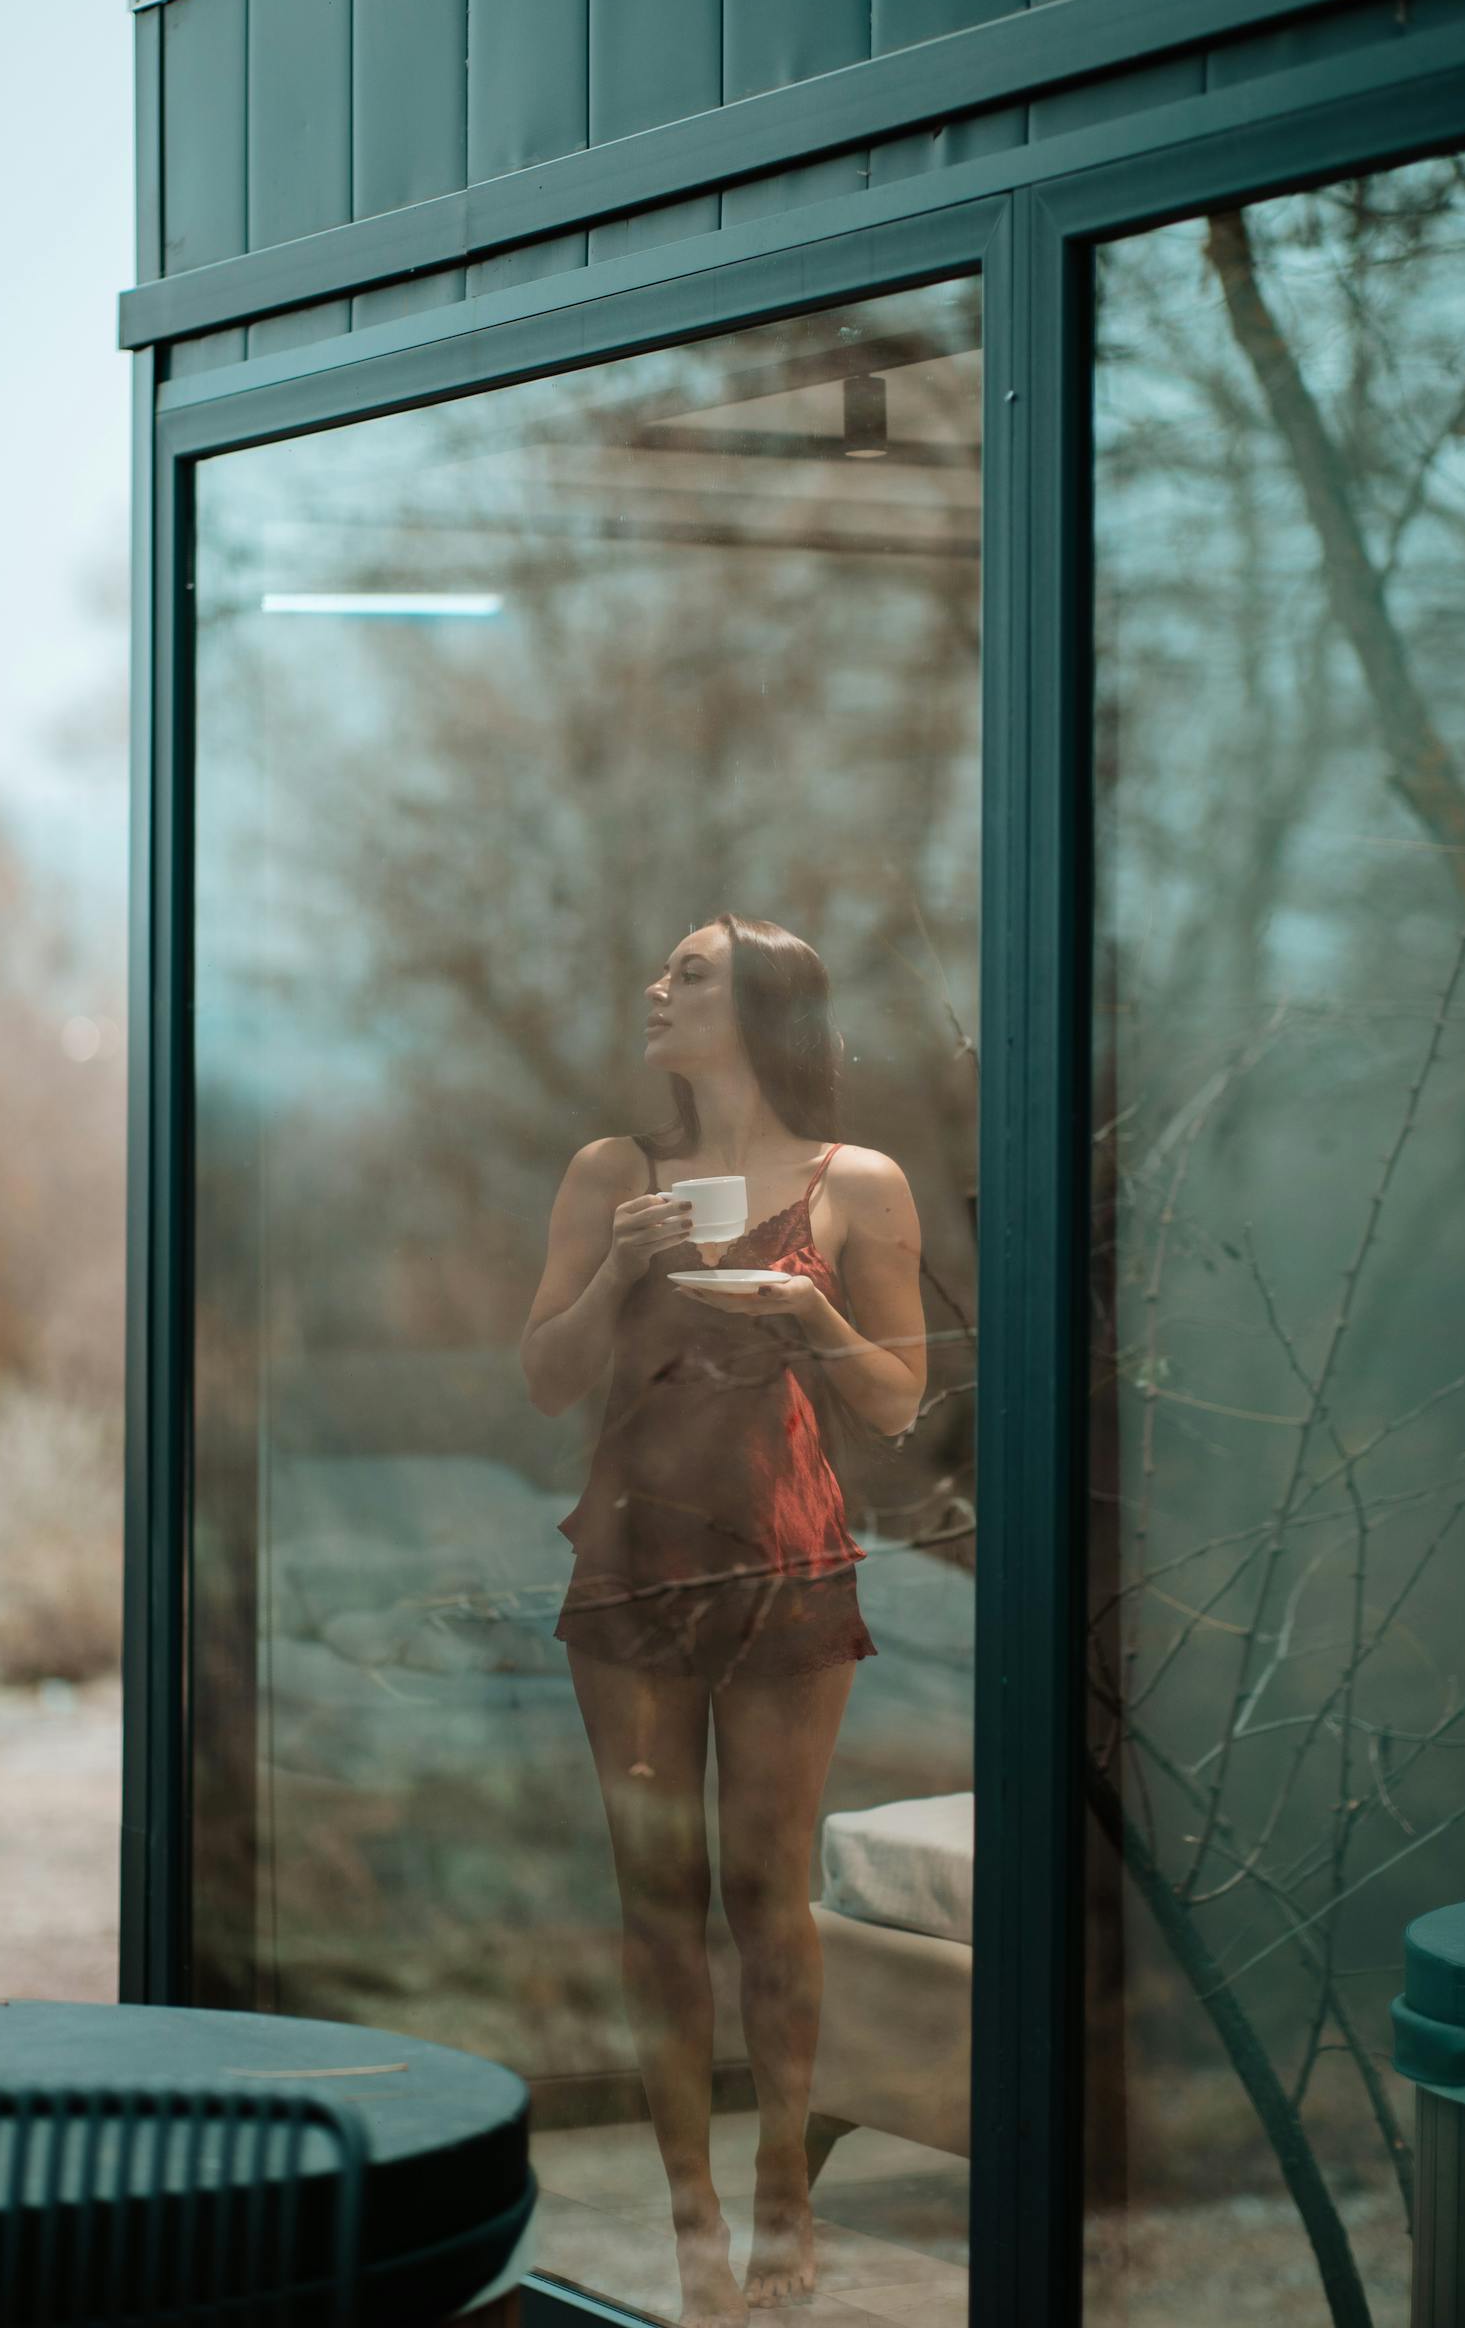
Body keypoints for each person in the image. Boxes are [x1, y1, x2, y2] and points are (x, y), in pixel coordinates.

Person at [520, 912, 927, 2326]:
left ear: (763, 1003)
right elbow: (546, 1381)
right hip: (629, 1565)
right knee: (656, 1903)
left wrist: (811, 1320)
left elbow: (896, 1399)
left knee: (767, 1893)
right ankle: (689, 2211)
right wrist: (621, 1270)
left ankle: (782, 2192)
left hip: (789, 1560)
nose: (656, 988)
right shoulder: (609, 1174)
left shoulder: (857, 1182)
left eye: (688, 972)